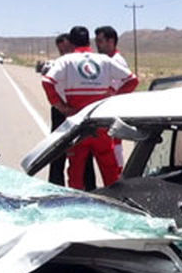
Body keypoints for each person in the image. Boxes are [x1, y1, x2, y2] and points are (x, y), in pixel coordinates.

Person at [41, 26, 137, 190]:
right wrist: (112, 98)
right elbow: (132, 80)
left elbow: (47, 81)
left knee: (76, 174)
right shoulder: (104, 60)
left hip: (78, 126)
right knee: (110, 172)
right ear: (89, 41)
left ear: (71, 42)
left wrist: (62, 107)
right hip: (101, 126)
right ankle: (116, 204)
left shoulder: (66, 61)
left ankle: (78, 206)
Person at [95, 26, 130, 169]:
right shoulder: (107, 61)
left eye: (100, 41)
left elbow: (123, 84)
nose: (97, 45)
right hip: (110, 110)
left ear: (111, 41)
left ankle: (118, 178)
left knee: (114, 148)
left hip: (114, 111)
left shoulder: (116, 61)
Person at [46, 33, 75, 185]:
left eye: (66, 49)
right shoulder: (59, 64)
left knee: (81, 151)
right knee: (57, 151)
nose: (63, 54)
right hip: (61, 110)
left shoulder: (78, 64)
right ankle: (55, 185)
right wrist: (60, 107)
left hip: (77, 109)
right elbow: (48, 82)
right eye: (61, 51)